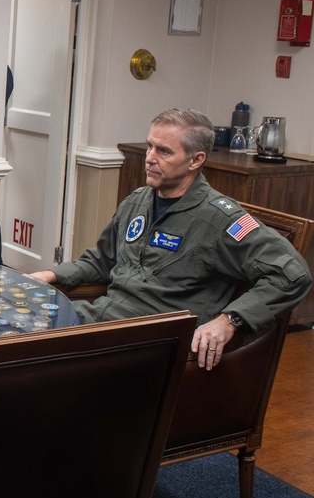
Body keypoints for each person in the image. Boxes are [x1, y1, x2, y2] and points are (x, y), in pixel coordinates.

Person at [28, 108, 312, 370]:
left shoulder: (221, 220)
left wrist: (230, 320)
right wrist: (50, 273)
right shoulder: (138, 201)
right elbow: (103, 259)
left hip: (151, 342)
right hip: (100, 320)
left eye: (164, 151)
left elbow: (293, 275)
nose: (150, 157)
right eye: (150, 146)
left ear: (196, 160)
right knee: (15, 327)